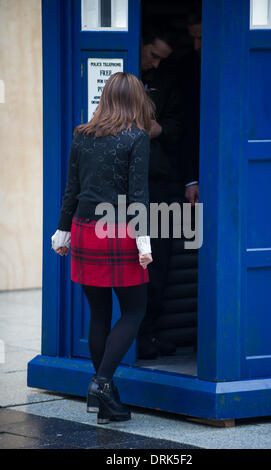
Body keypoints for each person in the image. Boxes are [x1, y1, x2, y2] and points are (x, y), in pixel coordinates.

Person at [51, 72, 155, 424]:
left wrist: (63, 232)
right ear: (136, 100)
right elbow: (138, 193)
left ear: (106, 97)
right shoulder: (137, 137)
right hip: (121, 231)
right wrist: (145, 241)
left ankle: (105, 399)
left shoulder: (82, 135)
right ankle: (102, 383)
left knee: (98, 313)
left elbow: (72, 190)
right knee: (134, 310)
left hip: (84, 230)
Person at [137, 22, 184, 359]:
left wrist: (161, 129)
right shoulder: (121, 82)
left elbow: (187, 125)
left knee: (159, 265)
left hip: (163, 188)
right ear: (140, 43)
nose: (154, 64)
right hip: (126, 190)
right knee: (131, 267)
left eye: (161, 59)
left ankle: (148, 336)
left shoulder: (168, 81)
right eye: (152, 55)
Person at [181, 10, 202, 206]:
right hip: (193, 163)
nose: (196, 46)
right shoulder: (187, 68)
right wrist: (191, 178)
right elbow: (187, 126)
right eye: (193, 38)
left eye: (201, 38)